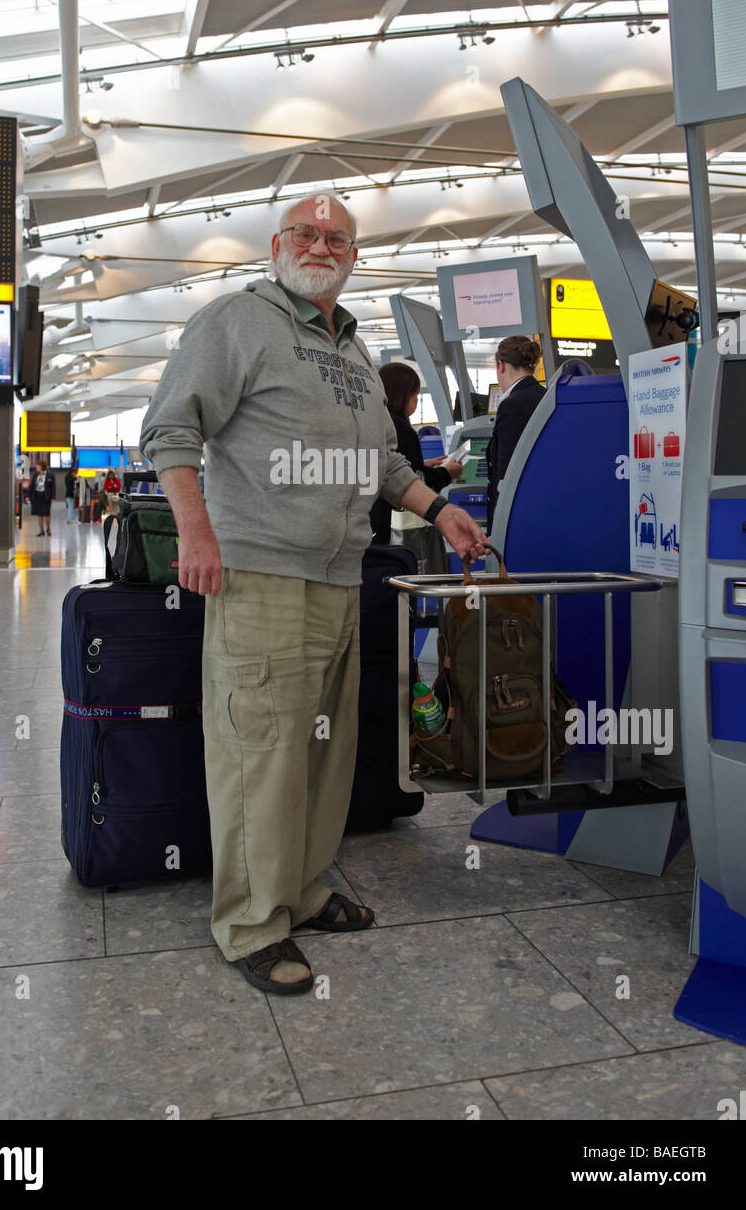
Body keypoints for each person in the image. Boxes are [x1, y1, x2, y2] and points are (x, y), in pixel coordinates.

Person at [139, 193, 489, 997]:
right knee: (259, 755)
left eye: (337, 238)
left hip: (339, 577)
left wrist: (443, 511)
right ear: (276, 244)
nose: (322, 245)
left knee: (324, 757)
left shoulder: (355, 350)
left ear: (354, 256)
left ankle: (300, 891)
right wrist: (196, 532)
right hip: (261, 573)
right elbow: (171, 430)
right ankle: (251, 923)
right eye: (307, 232)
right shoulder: (235, 321)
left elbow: (384, 468)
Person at [369, 362, 463, 580]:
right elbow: (414, 482)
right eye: (416, 395)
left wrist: (423, 464)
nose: (417, 401)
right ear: (404, 395)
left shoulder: (379, 423)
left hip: (378, 523)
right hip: (400, 531)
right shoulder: (400, 427)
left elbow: (399, 467)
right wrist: (447, 472)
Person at [486, 336, 545, 531]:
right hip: (539, 506)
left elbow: (507, 475)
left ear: (501, 365)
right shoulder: (544, 396)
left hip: (515, 519)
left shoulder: (512, 405)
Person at [29, 460, 55, 537]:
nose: (36, 467)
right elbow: (32, 486)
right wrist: (28, 496)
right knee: (39, 514)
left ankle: (48, 528)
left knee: (47, 514)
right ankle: (41, 530)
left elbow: (53, 487)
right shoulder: (35, 474)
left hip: (46, 496)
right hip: (37, 496)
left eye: (37, 466)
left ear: (41, 466)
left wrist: (53, 497)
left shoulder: (50, 475)